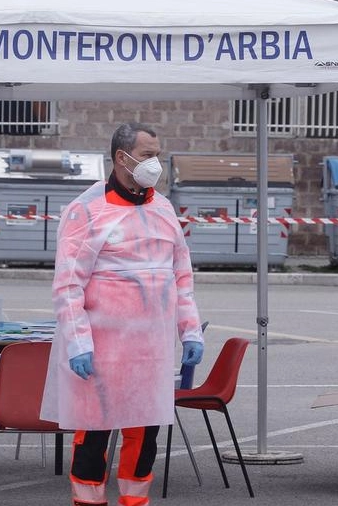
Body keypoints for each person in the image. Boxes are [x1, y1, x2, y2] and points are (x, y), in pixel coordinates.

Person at [40, 122, 205, 506]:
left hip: (152, 353)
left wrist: (191, 330)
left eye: (158, 155)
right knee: (93, 439)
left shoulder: (163, 210)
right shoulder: (86, 211)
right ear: (121, 158)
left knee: (145, 438)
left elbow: (181, 277)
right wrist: (78, 342)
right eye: (148, 155)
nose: (155, 164)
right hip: (101, 352)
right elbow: (68, 285)